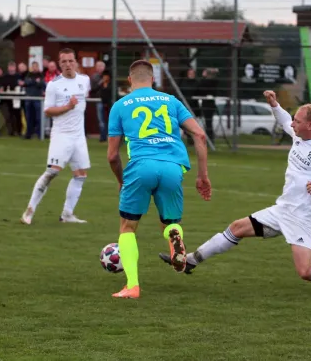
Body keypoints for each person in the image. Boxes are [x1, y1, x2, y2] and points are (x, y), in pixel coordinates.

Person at [159, 90, 311, 295]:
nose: (293, 124)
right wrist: (274, 104)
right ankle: (190, 261)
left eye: (298, 121)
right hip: (282, 210)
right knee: (236, 228)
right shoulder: (299, 135)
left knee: (306, 272)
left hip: (302, 217)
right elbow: (284, 120)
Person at [106, 60, 212, 299]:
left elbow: (112, 156)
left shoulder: (120, 105)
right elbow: (200, 134)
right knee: (170, 222)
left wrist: (121, 180)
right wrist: (202, 175)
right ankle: (175, 237)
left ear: (130, 81)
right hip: (173, 167)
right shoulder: (171, 101)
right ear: (152, 80)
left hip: (141, 166)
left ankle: (132, 285)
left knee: (128, 227)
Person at [20, 48, 91, 225]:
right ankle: (29, 211)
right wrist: (67, 107)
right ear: (59, 64)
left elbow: (83, 103)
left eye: (70, 61)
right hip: (61, 135)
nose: (68, 64)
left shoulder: (85, 80)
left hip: (79, 137)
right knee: (52, 172)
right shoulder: (54, 85)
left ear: (75, 62)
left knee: (80, 175)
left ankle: (67, 214)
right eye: (64, 61)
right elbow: (48, 111)